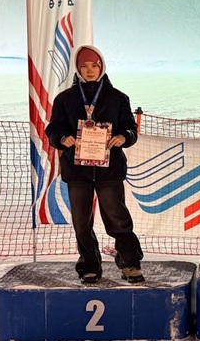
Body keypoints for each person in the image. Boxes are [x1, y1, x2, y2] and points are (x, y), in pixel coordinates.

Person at [45, 45, 145, 284]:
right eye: (84, 66)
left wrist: (123, 137)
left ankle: (130, 263)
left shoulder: (118, 98)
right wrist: (62, 138)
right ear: (78, 69)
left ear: (102, 67)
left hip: (109, 171)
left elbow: (130, 129)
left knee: (117, 218)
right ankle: (89, 265)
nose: (90, 70)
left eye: (94, 65)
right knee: (81, 222)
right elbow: (53, 129)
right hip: (77, 172)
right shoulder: (64, 99)